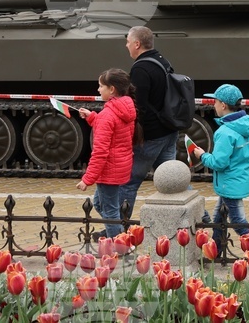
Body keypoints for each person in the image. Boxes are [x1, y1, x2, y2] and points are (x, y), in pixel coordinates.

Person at [190, 84, 249, 258]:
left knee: (238, 223)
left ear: (223, 105)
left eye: (215, 101)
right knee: (219, 219)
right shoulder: (245, 125)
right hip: (237, 180)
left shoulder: (224, 132)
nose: (213, 104)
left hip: (228, 183)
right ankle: (216, 252)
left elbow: (219, 163)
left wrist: (202, 155)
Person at [119, 26, 180, 218]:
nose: (126, 45)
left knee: (129, 181)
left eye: (128, 41)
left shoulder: (140, 68)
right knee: (173, 180)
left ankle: (119, 227)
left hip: (152, 135)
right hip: (169, 130)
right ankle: (200, 218)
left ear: (137, 44)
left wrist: (134, 134)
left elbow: (140, 106)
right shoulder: (161, 60)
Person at [77, 69, 137, 239]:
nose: (98, 89)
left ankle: (117, 247)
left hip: (108, 170)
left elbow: (100, 152)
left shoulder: (107, 115)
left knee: (110, 211)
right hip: (121, 166)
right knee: (100, 203)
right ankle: (120, 233)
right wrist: (93, 117)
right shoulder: (125, 107)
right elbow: (117, 132)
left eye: (101, 86)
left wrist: (87, 179)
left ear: (112, 89)